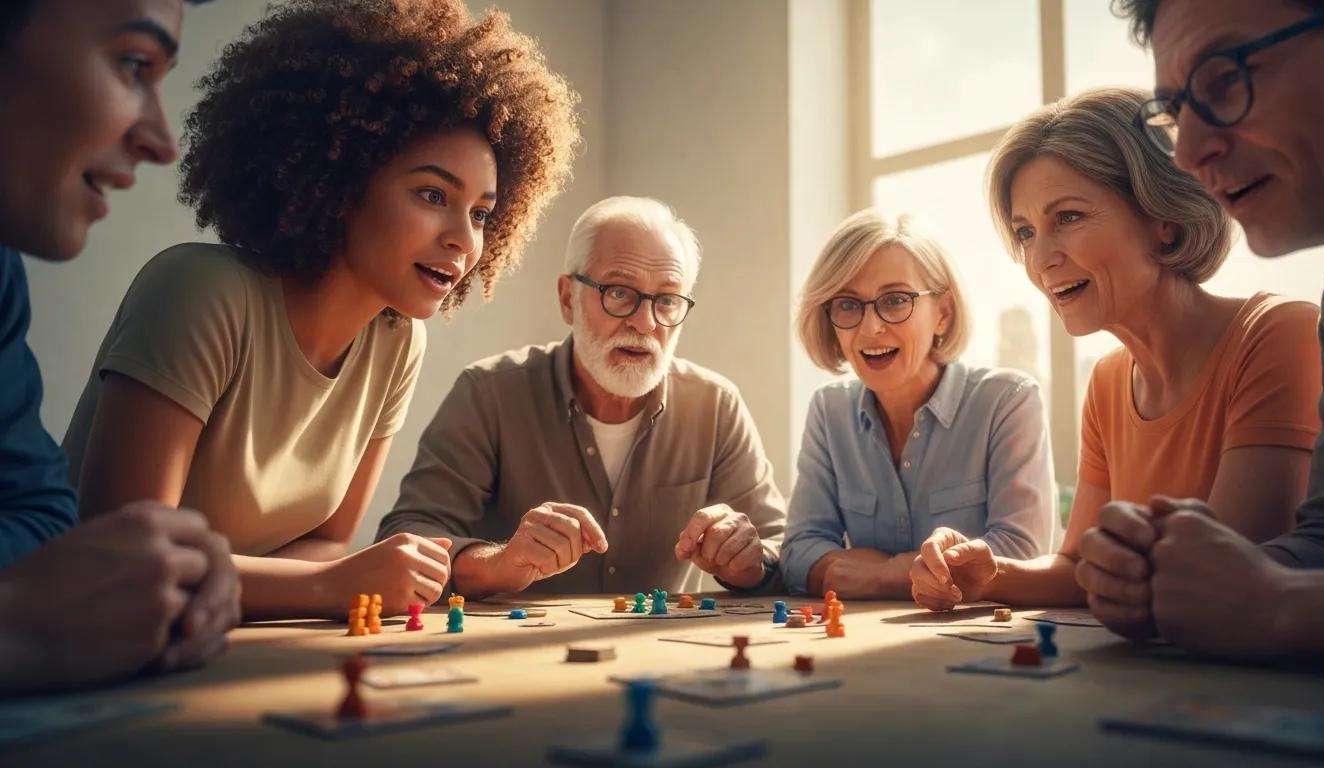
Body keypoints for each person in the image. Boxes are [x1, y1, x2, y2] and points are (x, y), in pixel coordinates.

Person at [63, 0, 580, 620]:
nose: (464, 242)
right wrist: (330, 586)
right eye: (431, 194)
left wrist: (343, 575)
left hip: (230, 643)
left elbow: (328, 543)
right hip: (81, 649)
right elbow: (124, 559)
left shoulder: (397, 341)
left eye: (481, 213)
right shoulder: (198, 292)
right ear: (339, 183)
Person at [1078, 0, 1324, 667]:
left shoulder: (1285, 326)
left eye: (1225, 80)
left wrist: (1279, 606)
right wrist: (1181, 573)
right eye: (1174, 112)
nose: (1190, 153)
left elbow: (1292, 597)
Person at [907, 87, 1323, 612]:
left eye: (1069, 218)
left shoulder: (1278, 334)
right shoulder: (1107, 381)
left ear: (1162, 218)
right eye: (1026, 231)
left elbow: (1228, 577)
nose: (1041, 259)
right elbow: (1079, 569)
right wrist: (988, 574)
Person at [0, 0, 239, 693]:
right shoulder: (197, 287)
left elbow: (42, 516)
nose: (165, 140)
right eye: (133, 63)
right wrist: (15, 622)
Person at [377, 196, 787, 597]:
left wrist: (749, 562)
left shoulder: (716, 404)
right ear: (566, 298)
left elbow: (779, 546)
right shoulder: (489, 393)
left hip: (663, 654)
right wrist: (501, 562)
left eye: (666, 300)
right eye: (620, 293)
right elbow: (408, 537)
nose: (645, 323)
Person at [782, 209, 1055, 599]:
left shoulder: (1008, 401)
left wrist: (885, 573)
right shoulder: (829, 411)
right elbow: (798, 553)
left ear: (942, 313)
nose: (870, 328)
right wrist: (909, 574)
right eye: (847, 304)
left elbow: (1021, 555)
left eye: (895, 300)